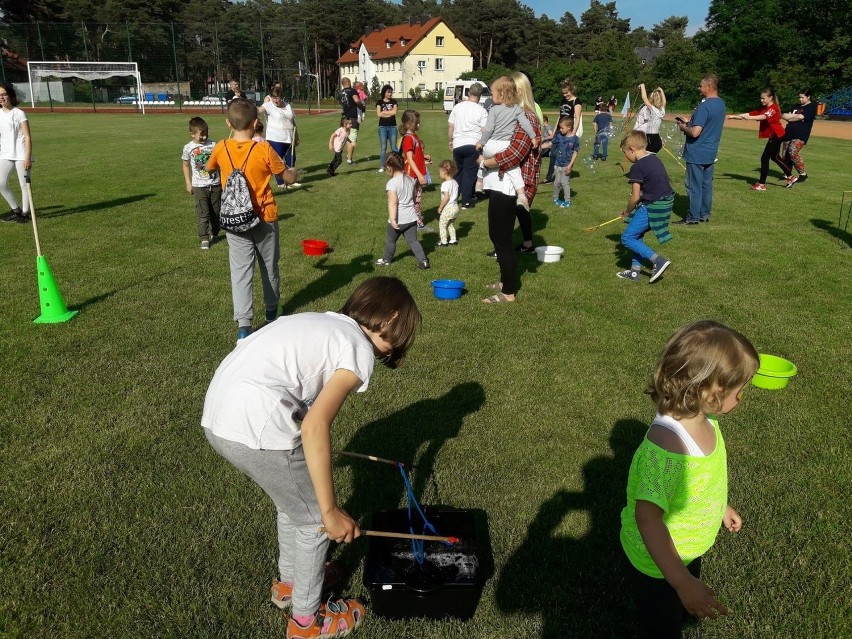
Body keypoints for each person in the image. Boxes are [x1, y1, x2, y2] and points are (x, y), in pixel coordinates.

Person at [202, 276, 421, 639]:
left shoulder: (326, 323)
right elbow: (316, 425)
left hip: (218, 418)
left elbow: (294, 392)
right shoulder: (359, 351)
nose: (388, 353)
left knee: (294, 504)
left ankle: (290, 584)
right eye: (396, 340)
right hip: (256, 423)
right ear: (390, 318)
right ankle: (307, 621)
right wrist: (330, 512)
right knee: (313, 521)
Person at [621, 320, 759, 639]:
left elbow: (702, 479)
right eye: (740, 390)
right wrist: (681, 582)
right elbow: (648, 519)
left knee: (683, 601)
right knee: (662, 627)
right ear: (712, 393)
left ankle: (685, 589)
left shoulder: (706, 421)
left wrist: (720, 505)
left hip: (685, 549)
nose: (742, 398)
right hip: (658, 563)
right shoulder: (666, 449)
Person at [206, 98, 298, 341]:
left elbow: (209, 167)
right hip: (264, 218)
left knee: (240, 271)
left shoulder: (221, 147)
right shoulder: (264, 148)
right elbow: (286, 177)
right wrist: (294, 172)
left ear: (228, 123)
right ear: (257, 122)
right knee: (269, 267)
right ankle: (271, 313)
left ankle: (244, 326)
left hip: (234, 221)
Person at [479, 74, 541, 302]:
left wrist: (485, 162)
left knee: (502, 238)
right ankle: (506, 280)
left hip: (510, 185)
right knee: (496, 234)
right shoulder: (512, 115)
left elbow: (514, 155)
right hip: (500, 182)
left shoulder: (528, 118)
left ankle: (508, 292)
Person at [616, 131, 674, 283]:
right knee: (636, 234)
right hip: (665, 202)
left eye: (625, 153)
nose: (626, 157)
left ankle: (657, 260)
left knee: (627, 238)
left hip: (653, 205)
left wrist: (627, 212)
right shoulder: (654, 158)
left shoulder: (637, 167)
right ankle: (635, 271)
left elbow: (635, 197)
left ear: (632, 149)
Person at [474, 76, 538, 212]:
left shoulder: (494, 109)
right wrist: (533, 137)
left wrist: (481, 142)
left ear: (501, 94)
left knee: (483, 162)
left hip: (491, 144)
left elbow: (489, 129)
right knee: (513, 169)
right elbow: (525, 124)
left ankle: (479, 183)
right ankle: (521, 195)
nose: (491, 97)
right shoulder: (518, 110)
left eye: (492, 93)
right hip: (504, 145)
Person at [675, 74, 726, 225]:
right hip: (711, 151)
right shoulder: (721, 104)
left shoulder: (704, 106)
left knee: (694, 185)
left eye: (701, 86)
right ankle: (704, 214)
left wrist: (683, 127)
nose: (699, 88)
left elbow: (696, 132)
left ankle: (692, 217)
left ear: (709, 87)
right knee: (706, 184)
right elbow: (708, 124)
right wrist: (689, 121)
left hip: (697, 151)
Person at [374, 152, 429, 269]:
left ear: (389, 167)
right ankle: (423, 261)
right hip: (412, 218)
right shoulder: (410, 179)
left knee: (391, 241)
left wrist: (393, 220)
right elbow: (414, 198)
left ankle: (387, 260)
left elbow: (393, 203)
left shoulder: (392, 183)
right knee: (413, 241)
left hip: (399, 219)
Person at [727, 88, 788, 191]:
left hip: (777, 135)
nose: (761, 100)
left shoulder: (773, 108)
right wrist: (734, 116)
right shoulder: (764, 108)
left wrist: (749, 118)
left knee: (765, 158)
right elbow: (750, 114)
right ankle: (790, 177)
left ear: (770, 98)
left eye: (763, 98)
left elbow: (763, 117)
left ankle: (762, 184)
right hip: (775, 135)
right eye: (761, 98)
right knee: (774, 157)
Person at [181, 117, 221, 250]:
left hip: (215, 184)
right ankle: (204, 237)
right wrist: (188, 183)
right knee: (203, 213)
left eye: (206, 133)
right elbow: (186, 165)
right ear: (192, 134)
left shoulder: (214, 145)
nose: (204, 137)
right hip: (199, 186)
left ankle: (215, 233)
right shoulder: (188, 148)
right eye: (201, 134)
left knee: (216, 211)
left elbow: (220, 164)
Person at [447, 82, 488, 209]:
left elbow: (451, 126)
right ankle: (466, 201)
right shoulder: (481, 110)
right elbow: (484, 130)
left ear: (469, 93)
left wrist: (450, 140)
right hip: (472, 144)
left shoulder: (458, 107)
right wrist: (482, 143)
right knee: (469, 174)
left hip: (458, 143)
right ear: (480, 96)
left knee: (458, 173)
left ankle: (453, 198)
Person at [0, 83, 32, 224]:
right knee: (1, 184)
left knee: (24, 185)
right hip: (5, 154)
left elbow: (27, 136)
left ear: (10, 96)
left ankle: (25, 213)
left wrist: (27, 157)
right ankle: (16, 210)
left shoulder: (19, 113)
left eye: (4, 94)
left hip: (21, 154)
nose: (1, 97)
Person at [259, 88, 300, 189]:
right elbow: (259, 110)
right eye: (274, 98)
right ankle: (281, 182)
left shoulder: (287, 105)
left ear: (281, 97)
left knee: (291, 159)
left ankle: (290, 180)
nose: (276, 100)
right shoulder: (268, 105)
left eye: (278, 98)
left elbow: (292, 122)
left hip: (289, 137)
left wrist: (296, 136)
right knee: (278, 161)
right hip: (275, 138)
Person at [777, 89, 817, 187]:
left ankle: (802, 174)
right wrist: (794, 117)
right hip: (788, 133)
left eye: (802, 97)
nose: (800, 99)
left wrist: (792, 117)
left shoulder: (812, 107)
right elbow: (784, 116)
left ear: (808, 97)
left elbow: (801, 117)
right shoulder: (795, 106)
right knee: (785, 155)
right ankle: (788, 175)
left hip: (800, 134)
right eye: (799, 97)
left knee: (792, 152)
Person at [545, 78, 582, 182]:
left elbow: (577, 118)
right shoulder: (563, 101)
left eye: (567, 93)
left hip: (568, 131)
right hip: (559, 130)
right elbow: (559, 116)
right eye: (563, 93)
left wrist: (573, 133)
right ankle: (549, 177)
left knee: (566, 154)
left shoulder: (576, 101)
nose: (565, 95)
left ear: (571, 90)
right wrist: (554, 131)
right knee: (553, 153)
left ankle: (565, 174)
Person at [399, 109, 430, 228]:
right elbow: (410, 159)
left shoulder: (414, 136)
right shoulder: (408, 138)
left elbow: (416, 155)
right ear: (408, 124)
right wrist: (420, 175)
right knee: (413, 200)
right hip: (412, 175)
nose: (418, 125)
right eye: (416, 122)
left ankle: (413, 222)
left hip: (416, 174)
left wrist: (424, 157)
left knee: (415, 200)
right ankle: (417, 224)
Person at [550, 116, 579, 208]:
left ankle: (567, 201)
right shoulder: (559, 136)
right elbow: (551, 143)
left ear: (569, 127)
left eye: (562, 128)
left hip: (566, 165)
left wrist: (570, 166)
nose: (560, 130)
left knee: (565, 183)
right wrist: (540, 146)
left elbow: (575, 152)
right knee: (556, 182)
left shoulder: (575, 139)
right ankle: (555, 198)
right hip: (557, 164)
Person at [634, 84, 667, 154]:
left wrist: (642, 86)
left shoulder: (652, 109)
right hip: (657, 139)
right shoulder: (662, 110)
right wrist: (661, 90)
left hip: (651, 139)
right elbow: (664, 101)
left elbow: (644, 98)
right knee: (649, 159)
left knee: (644, 159)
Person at [338, 78, 363, 164]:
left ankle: (344, 156)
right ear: (349, 82)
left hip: (344, 118)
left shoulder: (340, 93)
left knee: (346, 138)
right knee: (352, 139)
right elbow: (357, 100)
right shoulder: (352, 91)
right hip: (352, 118)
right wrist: (362, 107)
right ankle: (349, 159)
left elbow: (341, 103)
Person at [436, 159, 460, 247]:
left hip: (448, 208)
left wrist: (440, 207)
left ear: (444, 172)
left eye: (440, 172)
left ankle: (443, 241)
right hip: (455, 207)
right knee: (451, 224)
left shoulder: (445, 184)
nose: (439, 174)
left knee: (442, 225)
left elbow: (446, 197)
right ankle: (453, 240)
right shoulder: (455, 182)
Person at [375, 85, 399, 173]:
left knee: (394, 147)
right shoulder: (379, 102)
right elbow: (379, 114)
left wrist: (384, 112)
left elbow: (395, 112)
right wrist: (389, 113)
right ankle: (382, 166)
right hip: (382, 127)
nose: (390, 94)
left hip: (392, 127)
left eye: (391, 92)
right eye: (388, 92)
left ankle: (398, 165)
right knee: (383, 148)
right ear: (384, 92)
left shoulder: (394, 101)